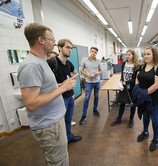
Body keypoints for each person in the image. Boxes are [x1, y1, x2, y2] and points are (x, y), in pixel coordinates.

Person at [17, 23, 78, 165]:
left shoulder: (41, 61)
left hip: (54, 122)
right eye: (52, 39)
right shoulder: (31, 65)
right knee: (58, 161)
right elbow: (31, 103)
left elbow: (45, 87)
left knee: (59, 158)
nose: (55, 43)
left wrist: (61, 84)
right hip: (49, 126)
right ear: (41, 40)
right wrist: (63, 89)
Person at [47, 39, 82, 144]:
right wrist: (63, 85)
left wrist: (71, 82)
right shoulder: (51, 63)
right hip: (59, 98)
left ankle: (68, 137)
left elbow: (76, 74)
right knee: (59, 122)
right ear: (60, 48)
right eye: (67, 47)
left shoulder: (68, 63)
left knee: (68, 119)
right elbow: (45, 83)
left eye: (71, 48)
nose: (70, 50)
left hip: (70, 96)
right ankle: (60, 141)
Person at [133, 45, 158, 151]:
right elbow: (137, 78)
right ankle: (145, 132)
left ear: (154, 55)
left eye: (148, 54)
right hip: (143, 96)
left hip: (153, 98)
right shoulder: (142, 66)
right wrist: (138, 89)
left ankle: (155, 139)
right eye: (144, 54)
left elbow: (157, 85)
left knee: (154, 117)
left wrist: (144, 93)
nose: (146, 56)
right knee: (145, 115)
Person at [111, 49, 140, 127]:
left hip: (132, 88)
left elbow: (136, 79)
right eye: (127, 54)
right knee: (122, 103)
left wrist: (126, 82)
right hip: (124, 87)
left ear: (133, 55)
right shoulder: (124, 64)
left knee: (132, 105)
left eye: (129, 54)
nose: (127, 56)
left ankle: (131, 120)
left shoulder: (137, 65)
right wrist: (121, 80)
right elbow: (122, 74)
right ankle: (119, 119)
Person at [79, 47, 103, 125]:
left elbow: (101, 70)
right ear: (90, 51)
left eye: (95, 52)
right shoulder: (84, 60)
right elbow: (81, 70)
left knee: (96, 96)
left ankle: (95, 109)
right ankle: (84, 115)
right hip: (89, 82)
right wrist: (87, 75)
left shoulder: (98, 61)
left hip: (97, 81)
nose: (93, 53)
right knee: (86, 98)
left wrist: (97, 73)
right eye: (92, 51)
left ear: (96, 53)